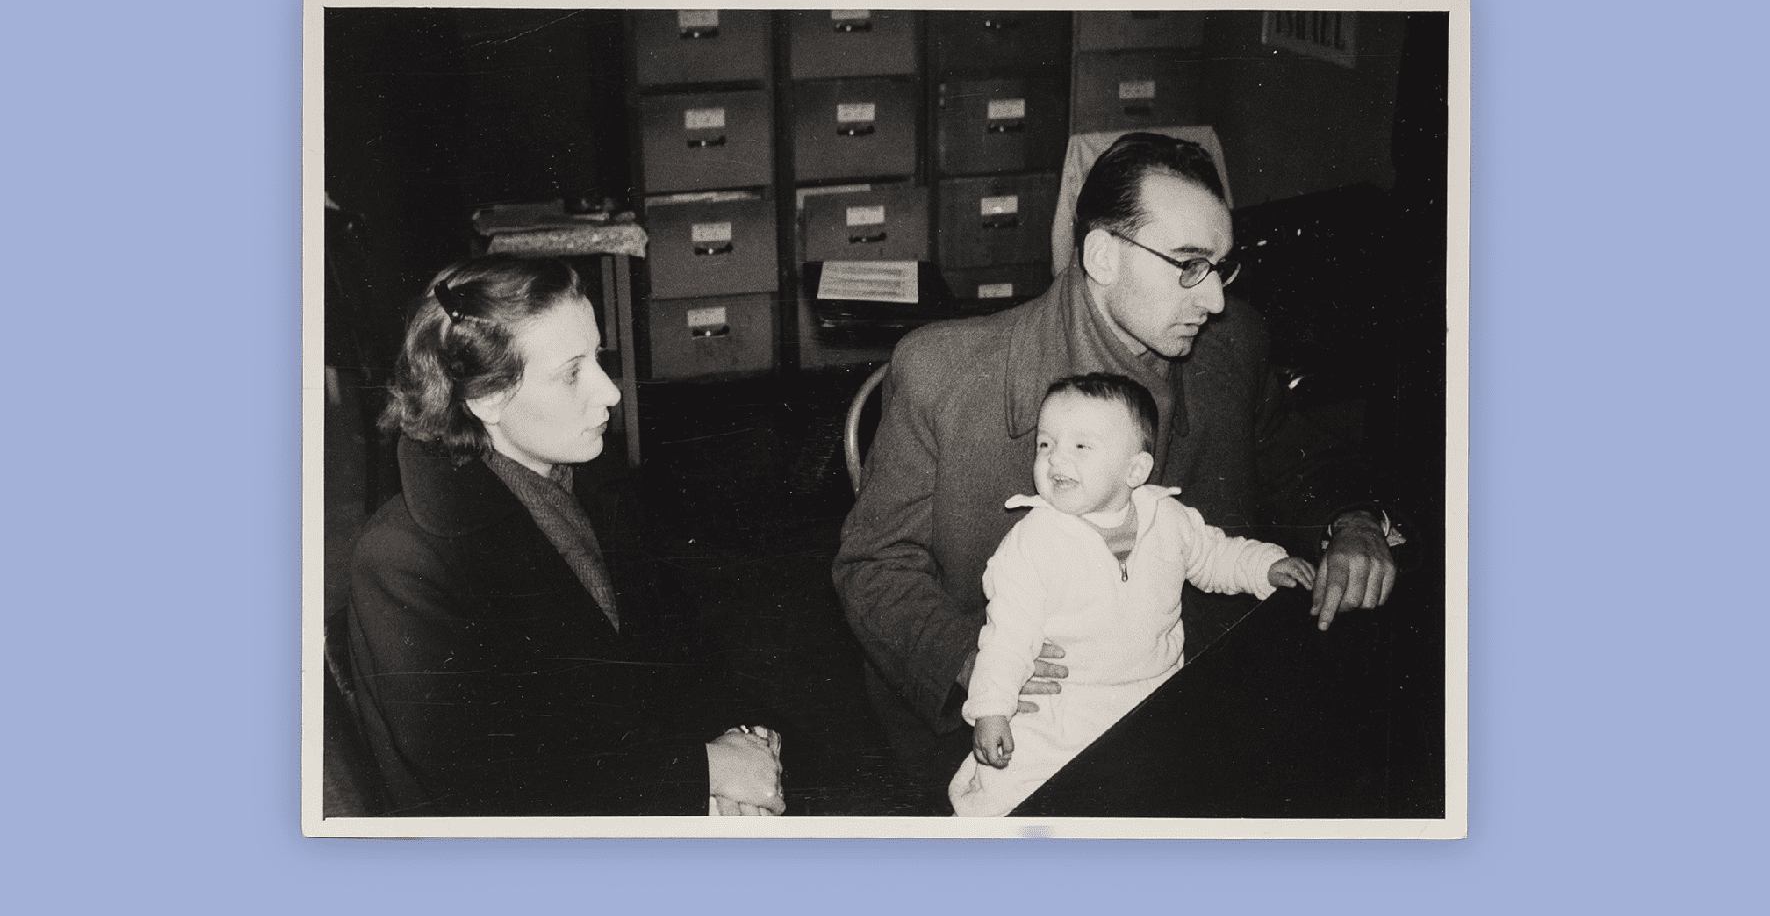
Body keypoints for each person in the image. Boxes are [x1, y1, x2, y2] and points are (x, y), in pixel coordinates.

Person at [832, 132, 1400, 810]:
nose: (1215, 300)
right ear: (1102, 255)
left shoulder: (1234, 346)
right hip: (1014, 732)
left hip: (1189, 698)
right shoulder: (945, 374)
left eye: (1221, 268)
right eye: (1189, 265)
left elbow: (1296, 456)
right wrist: (969, 662)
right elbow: (873, 567)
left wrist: (1354, 520)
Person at [343, 255, 784, 817]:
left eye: (598, 358)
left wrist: (740, 733)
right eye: (572, 372)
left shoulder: (587, 480)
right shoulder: (404, 562)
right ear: (486, 397)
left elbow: (683, 646)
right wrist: (707, 770)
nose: (610, 393)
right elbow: (491, 782)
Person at [949, 373, 1316, 816]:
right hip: (1062, 713)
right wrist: (991, 709)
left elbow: (1216, 556)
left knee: (1168, 794)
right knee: (1014, 796)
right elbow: (1006, 638)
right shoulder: (1032, 543)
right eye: (1045, 444)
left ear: (1135, 470)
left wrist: (1266, 566)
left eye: (1081, 446)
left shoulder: (1168, 518)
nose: (1055, 458)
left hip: (1154, 700)